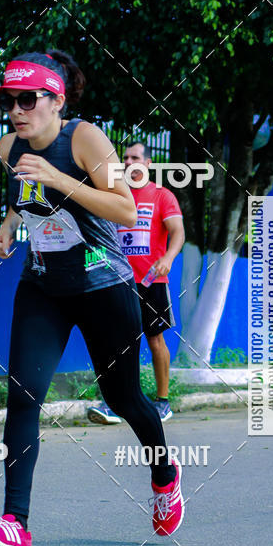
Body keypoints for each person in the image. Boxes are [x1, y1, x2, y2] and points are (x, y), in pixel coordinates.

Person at [0, 50, 184, 546]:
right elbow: (26, 195)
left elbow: (125, 208)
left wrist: (64, 179)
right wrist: (7, 228)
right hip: (42, 285)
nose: (16, 111)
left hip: (102, 284)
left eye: (27, 99)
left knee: (125, 397)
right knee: (23, 397)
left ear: (56, 100)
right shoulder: (8, 146)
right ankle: (14, 524)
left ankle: (165, 475)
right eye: (8, 101)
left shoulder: (84, 138)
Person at [87, 140, 184, 425]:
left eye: (135, 157)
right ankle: (114, 402)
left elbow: (177, 231)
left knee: (154, 339)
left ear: (148, 163)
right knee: (116, 342)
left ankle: (163, 402)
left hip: (151, 279)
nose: (129, 162)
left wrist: (168, 257)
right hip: (117, 280)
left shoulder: (162, 196)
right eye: (125, 158)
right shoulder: (114, 196)